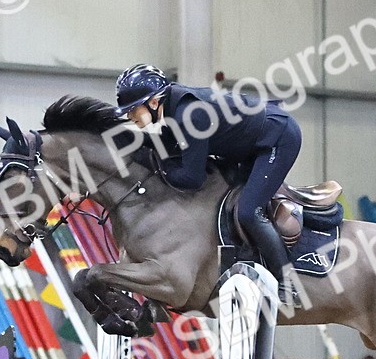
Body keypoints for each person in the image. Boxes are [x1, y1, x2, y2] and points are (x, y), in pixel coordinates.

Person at [113, 63, 299, 282]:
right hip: (250, 143)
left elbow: (192, 178)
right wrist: (129, 141)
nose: (130, 117)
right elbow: (168, 142)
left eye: (133, 110)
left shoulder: (187, 115)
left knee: (249, 212)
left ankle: (289, 282)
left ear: (154, 102)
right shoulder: (172, 106)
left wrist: (161, 167)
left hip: (276, 138)